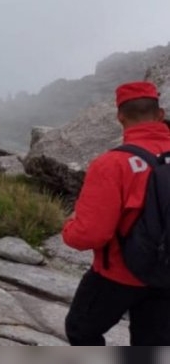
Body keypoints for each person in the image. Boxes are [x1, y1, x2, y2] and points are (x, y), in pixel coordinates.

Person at [63, 81, 170, 346]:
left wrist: (68, 230)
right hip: (167, 273)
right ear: (160, 114)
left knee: (81, 330)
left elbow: (91, 234)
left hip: (119, 274)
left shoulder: (112, 164)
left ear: (120, 117)